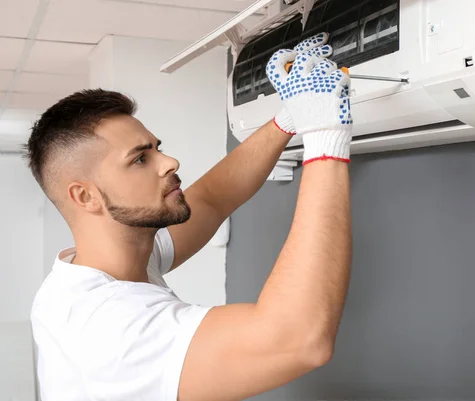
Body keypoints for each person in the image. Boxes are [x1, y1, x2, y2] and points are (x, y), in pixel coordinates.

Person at [27, 32, 353, 401]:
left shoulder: (93, 269)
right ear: (84, 196)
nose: (170, 162)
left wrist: (288, 119)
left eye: (157, 149)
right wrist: (326, 134)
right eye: (140, 159)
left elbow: (213, 198)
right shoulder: (111, 328)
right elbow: (298, 339)